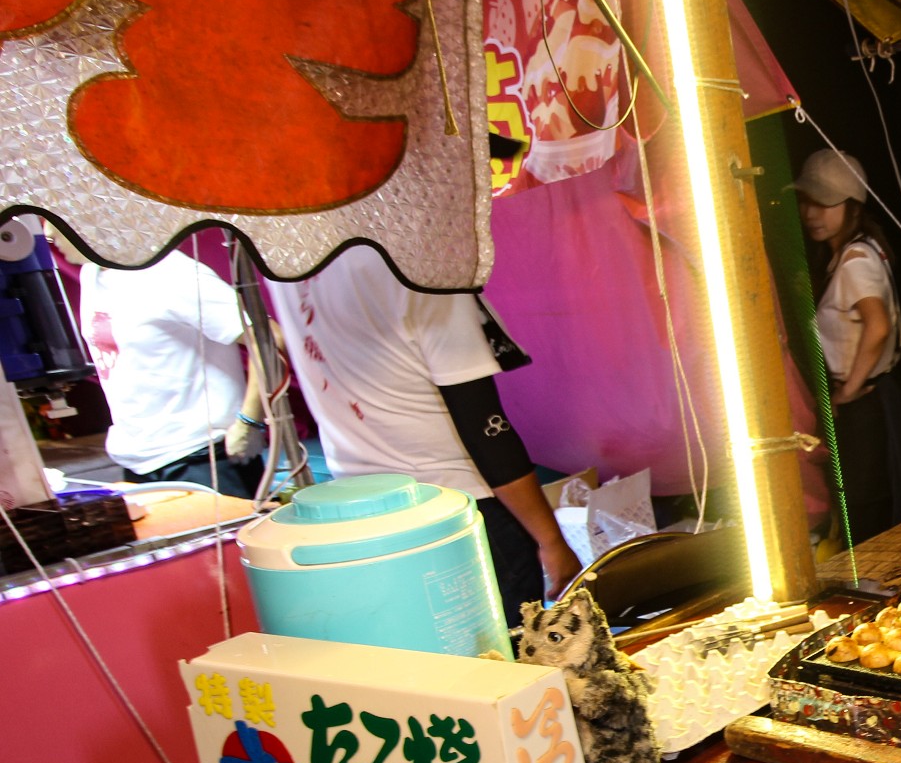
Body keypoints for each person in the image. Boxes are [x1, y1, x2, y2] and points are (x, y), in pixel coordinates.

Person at [274, 244, 580, 620]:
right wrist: (550, 539)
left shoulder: (285, 267)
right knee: (506, 659)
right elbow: (485, 429)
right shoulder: (424, 272)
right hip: (461, 506)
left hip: (364, 508)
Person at [52, 231, 268, 496]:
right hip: (138, 461)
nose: (49, 234)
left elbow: (267, 338)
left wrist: (250, 421)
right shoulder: (92, 274)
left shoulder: (169, 273)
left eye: (53, 222)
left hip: (201, 456)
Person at [794, 149, 901, 545]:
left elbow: (878, 325)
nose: (812, 212)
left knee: (866, 515)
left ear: (853, 205)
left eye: (825, 202)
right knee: (864, 509)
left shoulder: (856, 259)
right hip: (870, 403)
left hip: (866, 405)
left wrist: (850, 388)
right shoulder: (853, 252)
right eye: (807, 200)